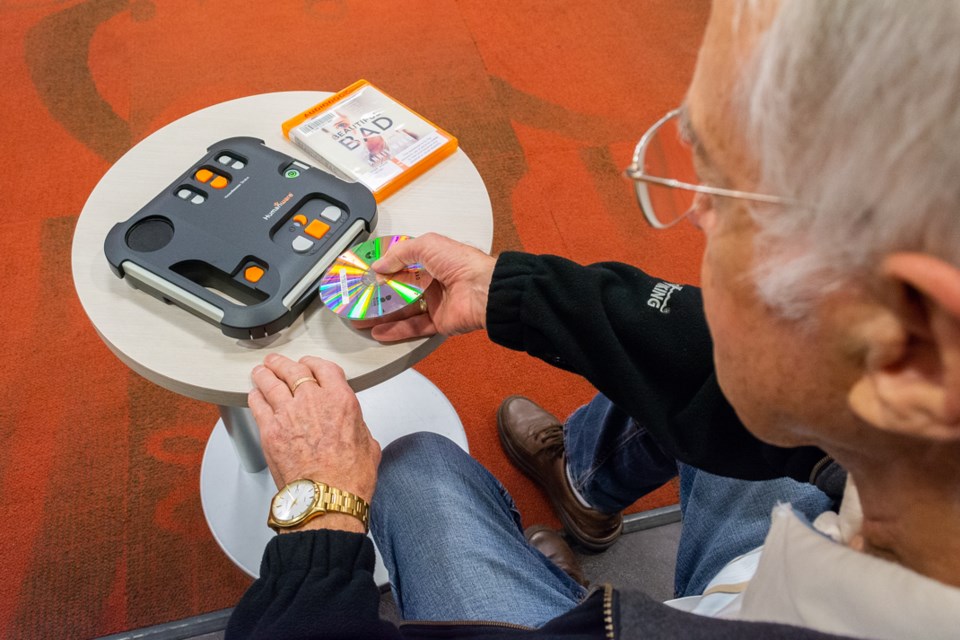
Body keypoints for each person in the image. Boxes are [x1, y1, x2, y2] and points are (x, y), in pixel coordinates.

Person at [226, 1, 960, 638]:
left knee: (410, 469)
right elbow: (747, 351)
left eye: (729, 197)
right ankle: (582, 484)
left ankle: (556, 600)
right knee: (745, 367)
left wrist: (322, 510)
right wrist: (509, 290)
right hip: (794, 547)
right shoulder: (912, 451)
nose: (698, 215)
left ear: (913, 352)